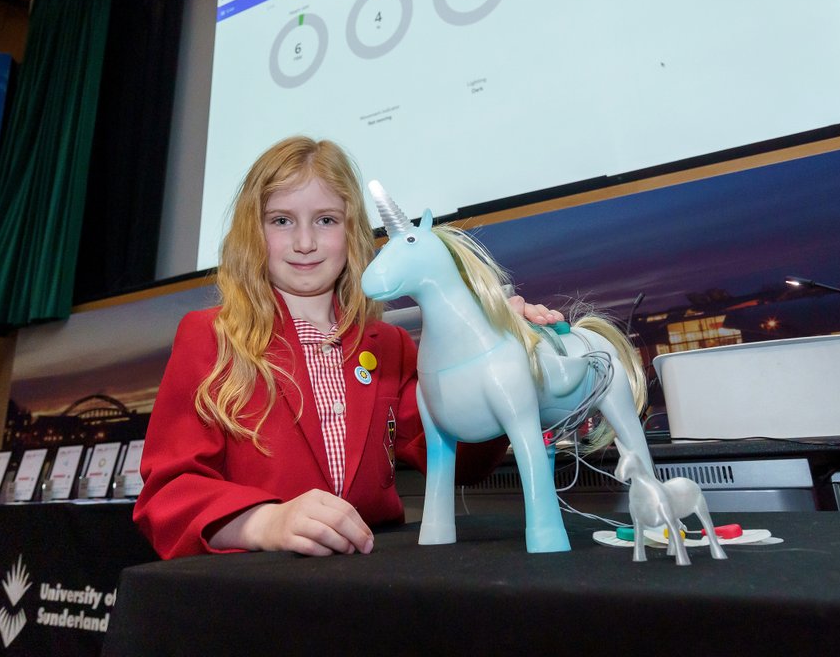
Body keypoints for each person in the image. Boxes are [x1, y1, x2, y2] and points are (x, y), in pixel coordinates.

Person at [133, 136, 563, 558]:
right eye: (281, 221)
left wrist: (499, 358)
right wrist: (266, 522)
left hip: (372, 585)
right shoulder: (210, 336)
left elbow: (461, 458)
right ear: (252, 232)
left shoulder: (390, 346)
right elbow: (168, 494)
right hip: (262, 591)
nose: (305, 242)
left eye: (326, 220)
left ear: (352, 231)